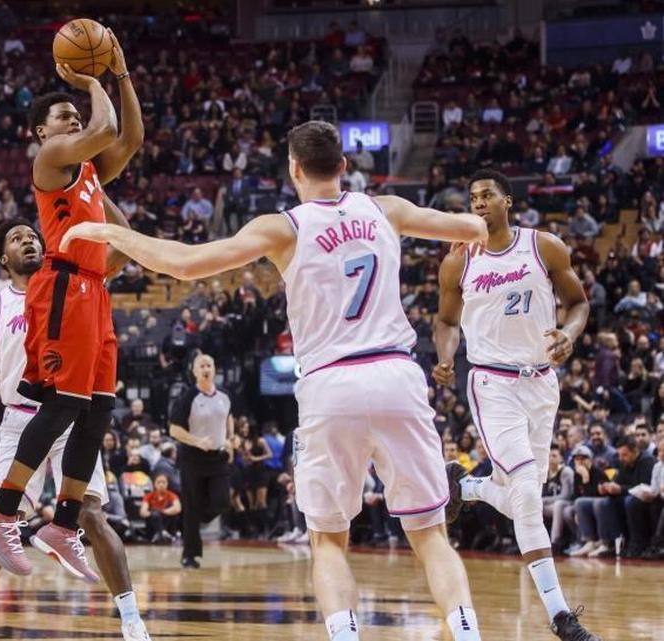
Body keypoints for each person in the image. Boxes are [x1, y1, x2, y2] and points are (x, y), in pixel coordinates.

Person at [61, 120, 489, 641]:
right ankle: (467, 633)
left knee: (329, 540)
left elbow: (189, 263)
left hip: (332, 385)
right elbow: (472, 228)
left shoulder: (283, 227)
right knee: (429, 533)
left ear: (293, 169)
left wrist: (111, 233)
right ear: (344, 167)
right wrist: (469, 241)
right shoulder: (387, 209)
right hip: (397, 374)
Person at [0, 213, 151, 641]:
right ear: (1, 259)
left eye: (32, 236)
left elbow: (129, 241)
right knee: (1, 518)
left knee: (92, 514)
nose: (28, 241)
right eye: (16, 239)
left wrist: (96, 194)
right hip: (21, 421)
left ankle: (132, 620)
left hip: (71, 417)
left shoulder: (75, 278)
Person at [0, 28, 144, 589]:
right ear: (42, 130)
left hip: (95, 289)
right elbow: (108, 127)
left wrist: (120, 74)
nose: (74, 120)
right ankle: (3, 509)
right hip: (65, 285)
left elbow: (130, 137)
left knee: (98, 409)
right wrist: (90, 78)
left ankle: (63, 523)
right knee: (65, 403)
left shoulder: (89, 172)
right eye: (65, 115)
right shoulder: (52, 158)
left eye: (76, 114)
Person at [432, 168, 599, 641]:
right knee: (527, 492)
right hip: (490, 383)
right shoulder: (458, 261)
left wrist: (568, 334)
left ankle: (466, 490)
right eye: (472, 197)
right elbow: (445, 321)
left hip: (542, 383)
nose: (479, 202)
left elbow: (579, 303)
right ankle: (561, 615)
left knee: (523, 496)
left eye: (487, 195)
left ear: (507, 200)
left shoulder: (543, 245)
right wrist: (445, 358)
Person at [169, 353, 233, 567]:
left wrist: (231, 440)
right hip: (192, 458)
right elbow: (174, 429)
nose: (206, 368)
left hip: (218, 458)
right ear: (194, 371)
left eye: (209, 365)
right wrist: (196, 441)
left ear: (214, 369)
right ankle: (190, 555)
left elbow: (228, 417)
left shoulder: (224, 395)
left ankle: (200, 518)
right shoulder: (188, 397)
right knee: (192, 508)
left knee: (222, 501)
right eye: (201, 366)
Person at [140, 474, 182, 542]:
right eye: (159, 482)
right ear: (155, 484)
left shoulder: (172, 495)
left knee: (174, 515)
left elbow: (178, 508)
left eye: (163, 482)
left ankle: (166, 533)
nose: (161, 484)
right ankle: (162, 532)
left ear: (167, 484)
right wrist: (153, 513)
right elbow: (143, 512)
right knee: (155, 515)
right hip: (154, 520)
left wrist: (162, 512)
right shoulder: (149, 496)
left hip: (166, 519)